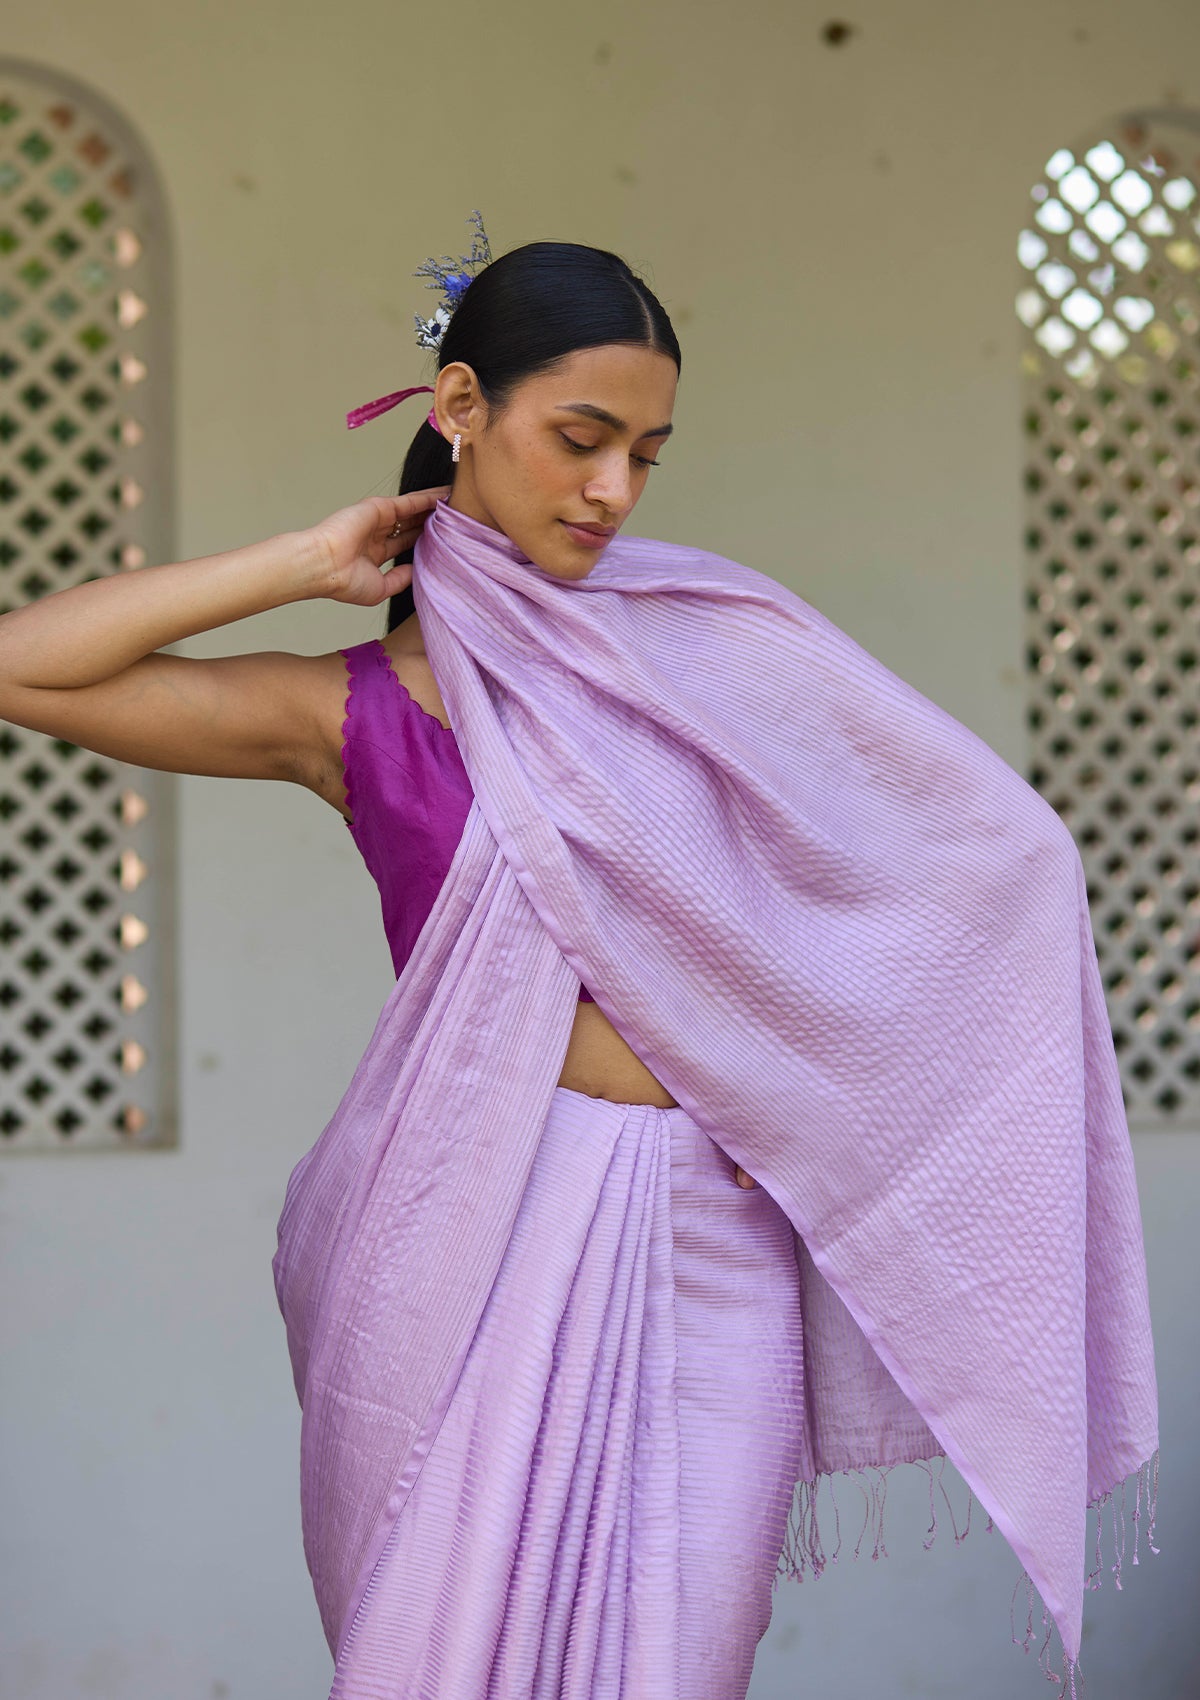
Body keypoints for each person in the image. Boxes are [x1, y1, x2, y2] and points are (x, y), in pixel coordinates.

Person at [0, 228, 1158, 1700]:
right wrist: (308, 558)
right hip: (470, 1239)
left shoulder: (701, 646)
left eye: (648, 457)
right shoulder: (359, 714)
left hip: (710, 1246)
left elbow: (990, 859)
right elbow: (24, 663)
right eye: (582, 439)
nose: (613, 491)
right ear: (465, 408)